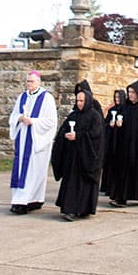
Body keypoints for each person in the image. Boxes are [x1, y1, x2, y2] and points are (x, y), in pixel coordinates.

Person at [52, 85, 105, 221]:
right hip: (72, 157)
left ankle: (83, 209)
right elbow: (63, 130)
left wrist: (78, 136)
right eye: (77, 101)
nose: (79, 103)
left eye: (81, 101)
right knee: (71, 184)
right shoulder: (73, 115)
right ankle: (69, 209)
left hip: (86, 157)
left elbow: (96, 135)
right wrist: (65, 136)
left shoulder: (95, 116)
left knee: (84, 184)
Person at [8, 70, 58, 214]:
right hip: (23, 139)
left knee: (34, 171)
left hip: (37, 141)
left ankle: (32, 200)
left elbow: (51, 121)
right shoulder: (22, 97)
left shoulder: (46, 98)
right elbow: (14, 114)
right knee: (21, 170)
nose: (29, 84)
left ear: (39, 82)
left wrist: (33, 121)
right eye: (28, 81)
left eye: (32, 81)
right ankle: (19, 200)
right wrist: (19, 119)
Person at [101, 89, 126, 195]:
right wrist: (109, 125)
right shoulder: (112, 111)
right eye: (115, 97)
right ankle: (107, 187)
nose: (117, 100)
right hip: (111, 142)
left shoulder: (126, 110)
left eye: (118, 97)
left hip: (120, 142)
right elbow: (105, 124)